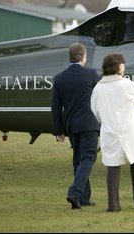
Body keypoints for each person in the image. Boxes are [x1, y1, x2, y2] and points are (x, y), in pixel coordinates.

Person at [90, 53, 134, 212]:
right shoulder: (126, 84)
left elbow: (95, 111)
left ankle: (113, 204)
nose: (124, 67)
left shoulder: (98, 88)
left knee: (112, 168)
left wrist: (108, 121)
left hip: (109, 131)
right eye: (123, 64)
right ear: (118, 66)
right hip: (130, 130)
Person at [51, 43, 100, 209]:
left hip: (71, 126)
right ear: (83, 57)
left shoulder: (59, 77)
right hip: (89, 124)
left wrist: (59, 131)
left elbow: (56, 107)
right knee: (88, 159)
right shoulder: (92, 74)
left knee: (78, 160)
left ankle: (84, 198)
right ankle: (75, 193)